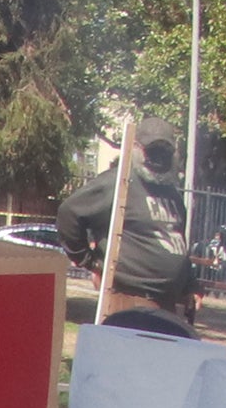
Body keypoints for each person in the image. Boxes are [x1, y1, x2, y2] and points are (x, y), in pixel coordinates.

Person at [56, 128, 197, 317]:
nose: (158, 158)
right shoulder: (118, 183)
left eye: (165, 152)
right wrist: (90, 262)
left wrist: (190, 284)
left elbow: (176, 242)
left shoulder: (173, 194)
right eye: (152, 150)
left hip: (169, 305)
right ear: (136, 148)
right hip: (128, 300)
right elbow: (69, 213)